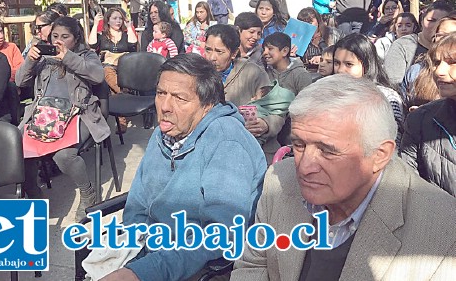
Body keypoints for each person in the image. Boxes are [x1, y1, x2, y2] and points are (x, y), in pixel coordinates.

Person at [231, 74, 456, 281]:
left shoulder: (443, 228)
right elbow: (253, 265)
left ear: (380, 155)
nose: (304, 166)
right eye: (299, 144)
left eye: (327, 150)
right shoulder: (279, 180)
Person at [101, 54, 266, 281]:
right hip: (150, 248)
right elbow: (138, 204)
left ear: (208, 105)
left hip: (198, 264)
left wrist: (142, 272)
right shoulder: (165, 132)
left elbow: (219, 236)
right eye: (160, 93)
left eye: (180, 98)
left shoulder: (227, 142)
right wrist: (132, 251)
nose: (165, 106)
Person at [16, 16, 111, 220]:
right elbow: (20, 81)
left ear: (75, 39)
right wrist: (30, 60)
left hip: (78, 115)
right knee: (18, 151)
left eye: (65, 37)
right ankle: (34, 194)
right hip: (44, 114)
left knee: (64, 155)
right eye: (55, 36)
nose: (59, 41)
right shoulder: (43, 57)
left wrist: (67, 57)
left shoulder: (86, 55)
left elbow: (98, 76)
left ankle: (88, 193)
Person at [204, 24, 286, 163]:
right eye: (208, 50)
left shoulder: (253, 73)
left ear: (234, 53)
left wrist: (266, 124)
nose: (212, 57)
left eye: (219, 52)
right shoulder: (198, 74)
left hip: (251, 150)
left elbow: (276, 110)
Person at [400, 32, 456, 197]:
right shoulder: (419, 120)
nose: (439, 71)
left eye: (452, 62)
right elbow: (408, 185)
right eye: (437, 62)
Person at [333, 33, 404, 145]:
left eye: (349, 64)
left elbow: (394, 140)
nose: (340, 70)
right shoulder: (330, 93)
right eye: (337, 63)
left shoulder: (386, 97)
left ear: (366, 65)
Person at [88, 7, 137, 133]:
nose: (118, 21)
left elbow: (133, 44)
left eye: (120, 18)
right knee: (107, 72)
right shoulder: (103, 36)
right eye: (115, 18)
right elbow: (92, 44)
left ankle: (121, 119)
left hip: (124, 67)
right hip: (107, 66)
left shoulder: (126, 35)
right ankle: (124, 96)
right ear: (108, 21)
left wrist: (129, 27)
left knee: (113, 86)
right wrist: (95, 25)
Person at [384, 0, 453, 85]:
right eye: (431, 20)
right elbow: (392, 84)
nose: (436, 26)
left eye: (442, 21)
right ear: (421, 22)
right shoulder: (403, 45)